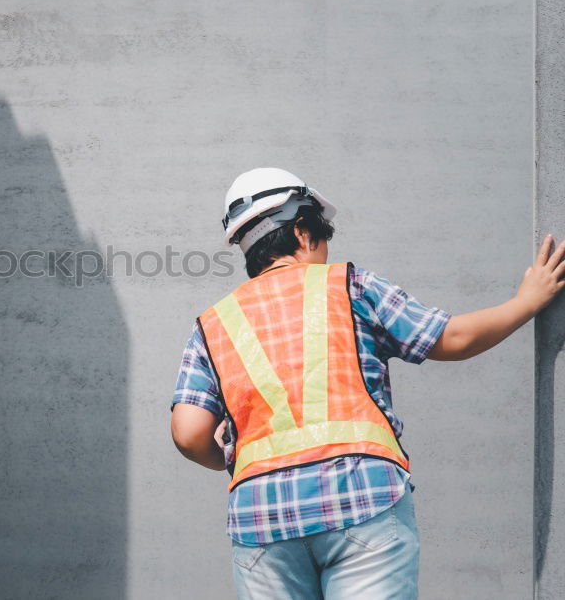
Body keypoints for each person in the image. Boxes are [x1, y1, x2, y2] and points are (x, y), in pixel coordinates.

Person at [169, 167, 565, 599]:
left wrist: (232, 458)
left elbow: (189, 434)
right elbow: (451, 339)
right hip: (361, 498)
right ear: (302, 232)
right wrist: (527, 302)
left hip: (261, 519)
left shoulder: (213, 324)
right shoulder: (351, 286)